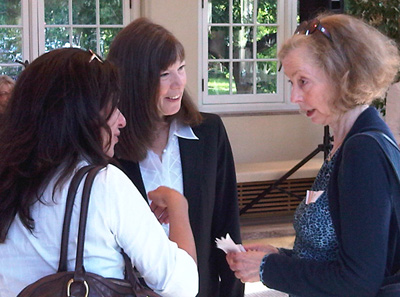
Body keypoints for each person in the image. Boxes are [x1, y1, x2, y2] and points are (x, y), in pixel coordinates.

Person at [226, 13, 400, 297]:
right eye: (291, 82)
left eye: (303, 81)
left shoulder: (362, 152)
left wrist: (268, 269)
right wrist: (280, 256)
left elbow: (359, 280)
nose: (294, 96)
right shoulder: (346, 142)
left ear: (342, 76)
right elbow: (335, 255)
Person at [0, 48, 198, 297]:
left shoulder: (7, 180)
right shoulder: (103, 184)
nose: (122, 120)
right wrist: (178, 207)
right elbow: (183, 285)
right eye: (113, 108)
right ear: (82, 115)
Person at [107, 17, 244, 297]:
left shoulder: (209, 133)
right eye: (164, 74)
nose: (179, 83)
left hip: (199, 289)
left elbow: (226, 227)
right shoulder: (111, 145)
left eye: (181, 68)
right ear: (134, 81)